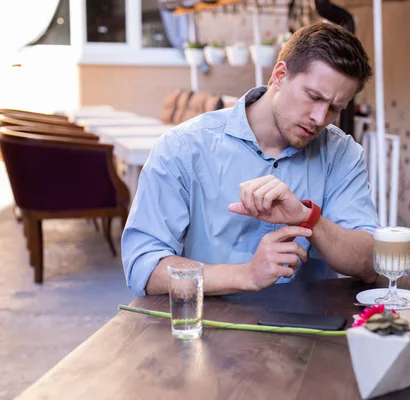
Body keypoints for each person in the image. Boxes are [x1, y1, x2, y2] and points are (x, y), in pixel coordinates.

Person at [122, 22, 379, 297]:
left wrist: (307, 218)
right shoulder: (182, 148)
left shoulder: (342, 154)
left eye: (334, 108)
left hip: (308, 331)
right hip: (210, 328)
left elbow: (372, 263)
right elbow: (144, 268)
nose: (319, 118)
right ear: (280, 75)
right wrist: (246, 275)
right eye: (314, 96)